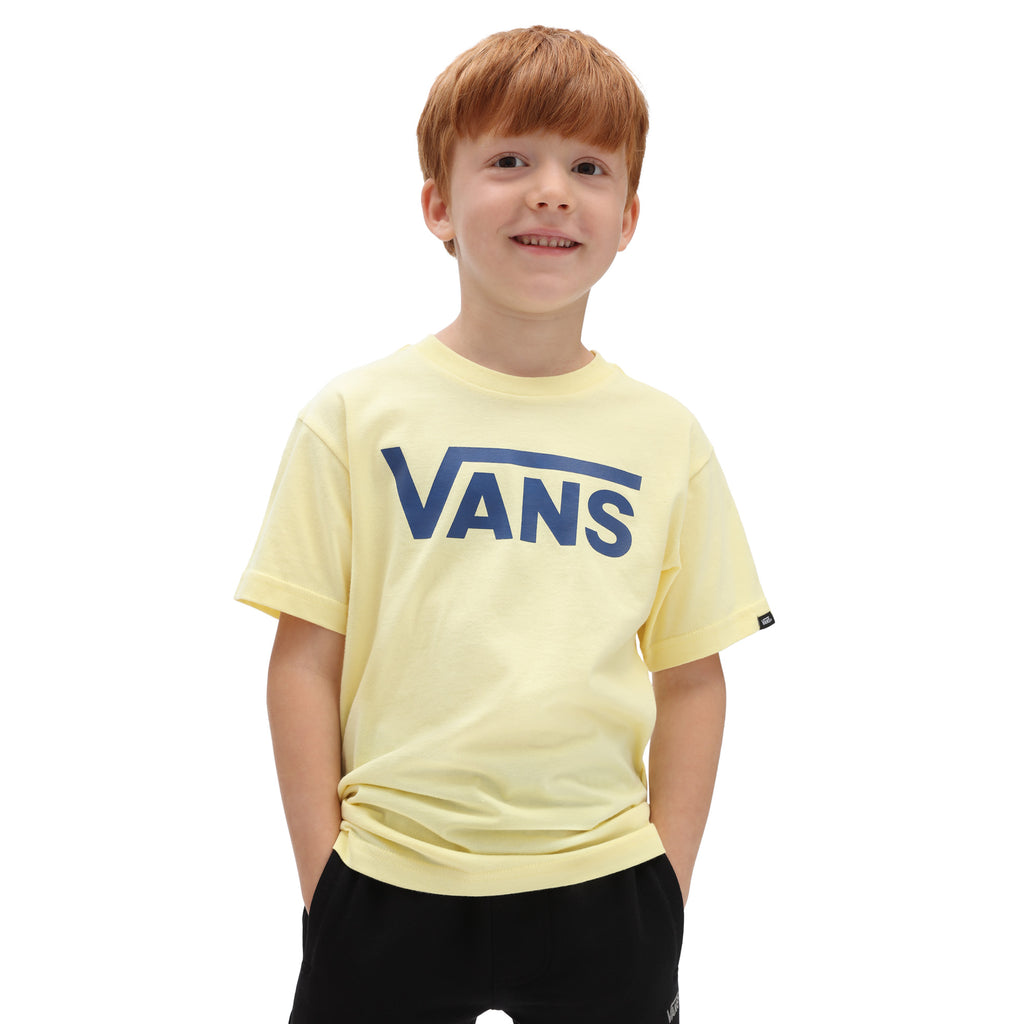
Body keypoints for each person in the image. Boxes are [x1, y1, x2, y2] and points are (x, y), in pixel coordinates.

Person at [236, 25, 774, 1024]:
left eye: (588, 167)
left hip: (604, 884)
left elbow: (693, 675)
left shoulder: (666, 438)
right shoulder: (352, 419)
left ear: (628, 217)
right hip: (386, 878)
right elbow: (303, 660)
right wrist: (325, 885)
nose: (551, 193)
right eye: (510, 160)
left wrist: (666, 890)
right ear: (438, 204)